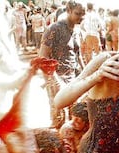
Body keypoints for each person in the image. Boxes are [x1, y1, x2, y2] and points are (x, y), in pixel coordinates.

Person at [39, 0, 85, 128]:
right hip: (56, 78)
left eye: (83, 14)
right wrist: (52, 80)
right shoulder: (54, 29)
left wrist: (85, 72)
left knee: (73, 118)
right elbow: (43, 57)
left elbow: (78, 54)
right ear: (68, 11)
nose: (81, 17)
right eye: (78, 14)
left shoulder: (76, 30)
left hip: (73, 78)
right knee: (59, 118)